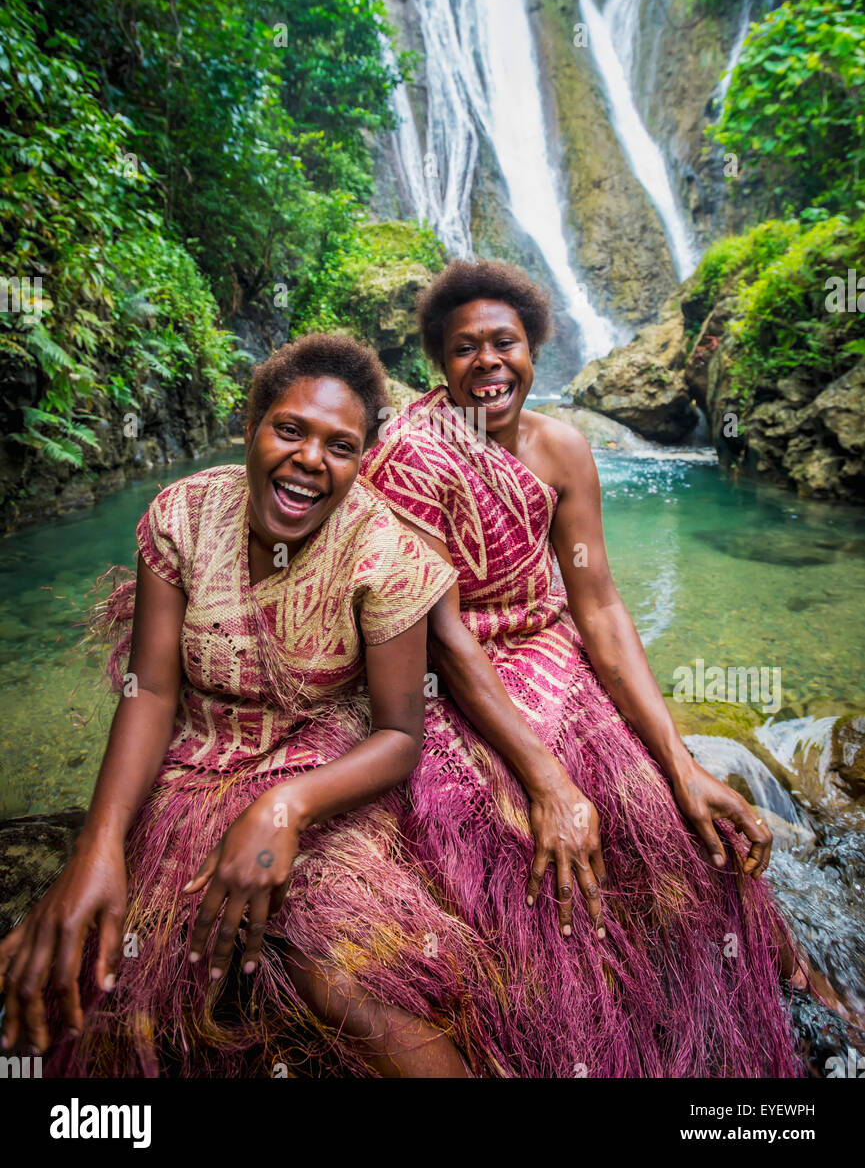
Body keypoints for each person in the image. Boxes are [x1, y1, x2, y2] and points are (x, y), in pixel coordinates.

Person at [0, 334, 508, 1078]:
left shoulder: (386, 554)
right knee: (98, 970)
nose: (310, 459)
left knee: (333, 975)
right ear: (250, 428)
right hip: (195, 757)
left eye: (341, 446)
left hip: (322, 759)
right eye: (290, 429)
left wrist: (284, 809)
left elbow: (401, 734)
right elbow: (153, 692)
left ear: (362, 460)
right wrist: (98, 847)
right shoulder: (183, 516)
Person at [363, 259, 811, 1078]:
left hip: (551, 649)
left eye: (504, 342)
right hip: (449, 670)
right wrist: (546, 781)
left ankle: (773, 982)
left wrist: (679, 763)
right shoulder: (408, 456)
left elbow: (598, 607)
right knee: (513, 847)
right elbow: (441, 633)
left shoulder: (562, 447)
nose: (488, 362)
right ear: (438, 363)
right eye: (464, 349)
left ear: (533, 348)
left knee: (670, 816)